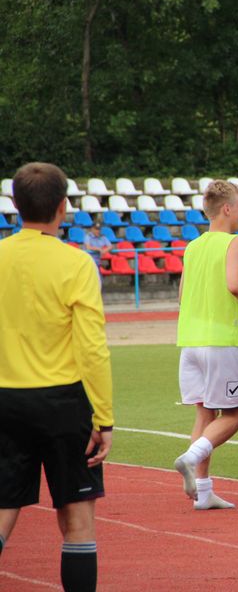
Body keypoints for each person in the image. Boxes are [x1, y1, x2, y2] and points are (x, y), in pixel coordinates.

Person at [0, 162, 114, 592]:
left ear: (15, 205)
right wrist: (103, 417)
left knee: (4, 502)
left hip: (5, 396)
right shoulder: (76, 263)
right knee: (78, 518)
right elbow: (91, 346)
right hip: (62, 401)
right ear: (63, 207)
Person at [173, 180, 238, 510]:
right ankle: (191, 457)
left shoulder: (193, 246)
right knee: (236, 414)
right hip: (224, 341)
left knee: (205, 414)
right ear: (227, 208)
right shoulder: (237, 242)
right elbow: (235, 285)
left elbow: (181, 296)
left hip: (191, 341)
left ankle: (203, 493)